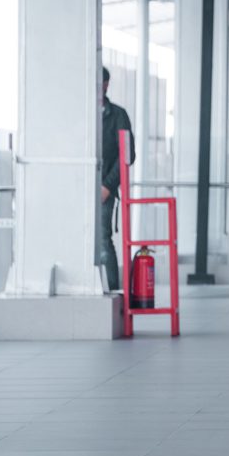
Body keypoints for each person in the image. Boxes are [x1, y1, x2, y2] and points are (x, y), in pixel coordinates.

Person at [99, 66, 134, 292]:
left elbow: (127, 155)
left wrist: (108, 186)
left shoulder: (118, 115)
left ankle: (113, 292)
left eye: (101, 83)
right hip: (79, 186)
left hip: (105, 188)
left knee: (103, 239)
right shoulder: (81, 115)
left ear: (106, 85)